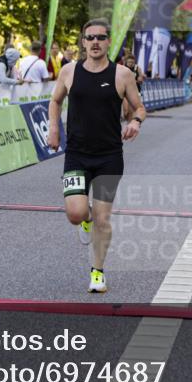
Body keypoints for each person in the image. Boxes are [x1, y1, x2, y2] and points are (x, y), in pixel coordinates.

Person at [48, 19, 145, 294]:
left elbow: (139, 107)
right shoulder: (69, 71)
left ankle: (98, 272)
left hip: (109, 157)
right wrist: (54, 128)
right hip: (77, 155)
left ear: (108, 42)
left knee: (103, 219)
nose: (95, 42)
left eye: (101, 38)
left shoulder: (122, 75)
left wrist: (135, 122)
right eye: (89, 37)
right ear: (82, 41)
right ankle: (86, 220)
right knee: (76, 214)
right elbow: (55, 101)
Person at [122, 53, 145, 121]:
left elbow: (141, 79)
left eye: (132, 62)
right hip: (125, 91)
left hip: (134, 92)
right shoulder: (123, 68)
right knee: (126, 110)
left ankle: (130, 124)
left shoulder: (137, 68)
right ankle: (126, 117)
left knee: (131, 110)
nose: (131, 64)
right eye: (129, 62)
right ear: (126, 61)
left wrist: (140, 79)